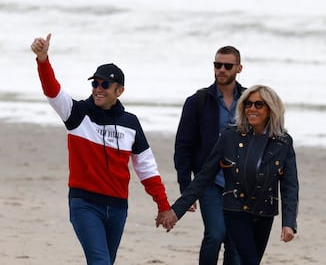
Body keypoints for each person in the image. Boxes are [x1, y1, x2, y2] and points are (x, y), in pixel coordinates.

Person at [30, 33, 175, 264]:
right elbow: (52, 91)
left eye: (105, 84)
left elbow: (147, 168)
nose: (98, 88)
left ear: (119, 91)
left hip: (117, 208)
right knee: (100, 262)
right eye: (95, 83)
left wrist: (163, 206)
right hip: (84, 204)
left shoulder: (131, 123)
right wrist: (43, 60)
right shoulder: (77, 113)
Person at [158, 85, 299, 265]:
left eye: (258, 104)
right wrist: (177, 210)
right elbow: (204, 176)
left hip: (264, 212)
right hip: (235, 208)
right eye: (248, 104)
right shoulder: (230, 137)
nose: (252, 109)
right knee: (248, 260)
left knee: (249, 260)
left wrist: (288, 223)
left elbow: (290, 186)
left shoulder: (283, 142)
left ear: (271, 109)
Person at [173, 46, 245, 264]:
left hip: (241, 182)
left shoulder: (250, 101)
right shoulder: (198, 101)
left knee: (235, 241)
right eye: (217, 65)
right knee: (215, 233)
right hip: (209, 181)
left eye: (227, 66)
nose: (221, 70)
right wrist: (186, 186)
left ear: (238, 68)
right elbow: (183, 147)